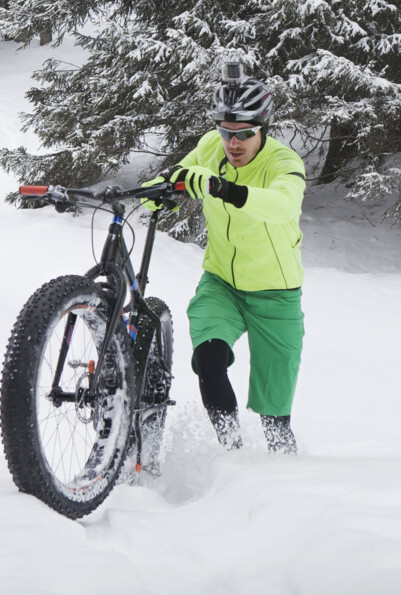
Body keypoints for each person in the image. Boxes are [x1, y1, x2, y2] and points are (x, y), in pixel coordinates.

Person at [147, 64, 307, 454]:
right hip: (222, 283)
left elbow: (283, 206)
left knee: (275, 417)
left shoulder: (283, 163)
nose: (232, 144)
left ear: (262, 129)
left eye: (244, 135)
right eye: (225, 132)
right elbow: (176, 177)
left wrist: (224, 188)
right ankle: (232, 452)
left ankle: (286, 475)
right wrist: (151, 191)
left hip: (277, 294)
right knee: (209, 359)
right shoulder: (211, 147)